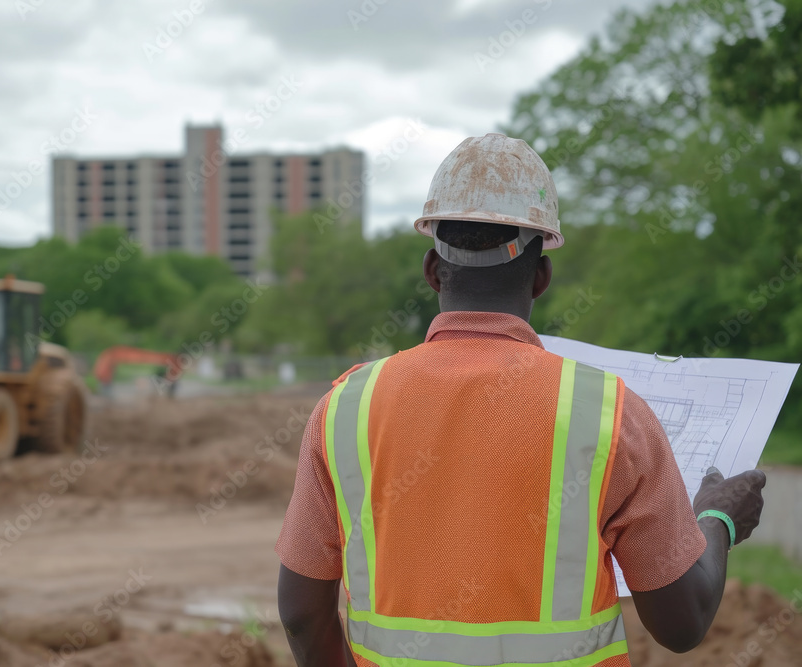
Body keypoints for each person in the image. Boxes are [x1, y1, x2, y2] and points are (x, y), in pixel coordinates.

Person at [275, 134, 767, 667]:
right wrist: (718, 519)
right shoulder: (612, 414)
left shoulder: (345, 409)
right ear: (541, 277)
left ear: (433, 271)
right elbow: (683, 621)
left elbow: (302, 612)